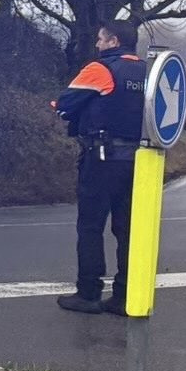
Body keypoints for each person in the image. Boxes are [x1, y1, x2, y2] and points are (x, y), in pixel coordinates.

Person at [51, 21, 147, 314]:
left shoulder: (101, 69)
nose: (97, 44)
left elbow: (65, 102)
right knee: (128, 230)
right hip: (140, 163)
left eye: (101, 39)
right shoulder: (149, 73)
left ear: (114, 41)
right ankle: (124, 296)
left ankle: (89, 293)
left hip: (102, 158)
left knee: (91, 227)